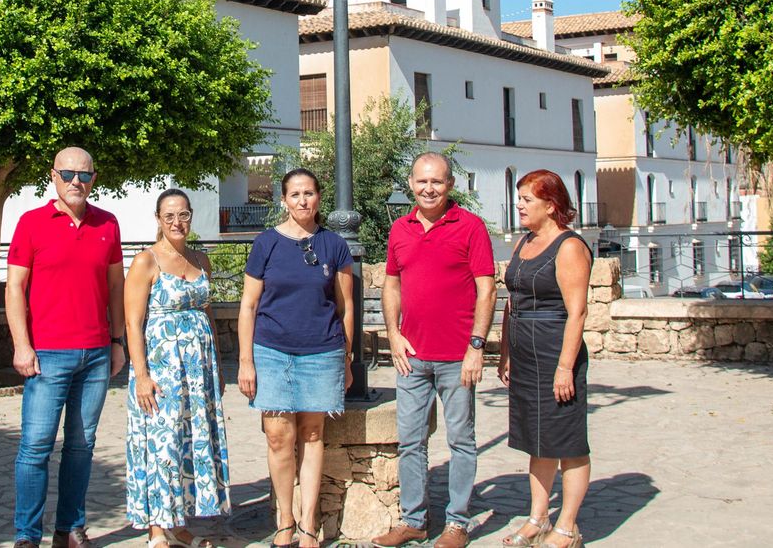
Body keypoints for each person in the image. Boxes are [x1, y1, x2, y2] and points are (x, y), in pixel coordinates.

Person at [371, 153, 496, 548]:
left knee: (461, 441)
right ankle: (414, 520)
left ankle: (457, 523)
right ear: (411, 183)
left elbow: (486, 288)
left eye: (437, 182)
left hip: (458, 357)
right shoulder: (400, 229)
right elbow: (391, 284)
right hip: (413, 357)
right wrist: (393, 334)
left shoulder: (471, 227)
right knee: (410, 442)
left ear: (450, 186)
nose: (429, 189)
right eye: (423, 182)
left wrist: (477, 346)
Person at [6, 147, 127, 548]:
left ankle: (70, 529)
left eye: (85, 175)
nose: (77, 181)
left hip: (95, 354)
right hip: (47, 354)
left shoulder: (107, 224)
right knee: (36, 446)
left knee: (81, 446)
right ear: (54, 176)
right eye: (69, 173)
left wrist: (117, 342)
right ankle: (27, 535)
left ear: (95, 178)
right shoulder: (31, 223)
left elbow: (115, 288)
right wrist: (22, 346)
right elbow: (15, 288)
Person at [238, 168, 355, 548]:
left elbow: (346, 306)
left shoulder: (334, 245)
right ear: (284, 200)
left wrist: (347, 358)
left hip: (322, 351)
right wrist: (245, 360)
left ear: (319, 197)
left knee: (313, 433)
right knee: (277, 436)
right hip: (271, 351)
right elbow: (248, 305)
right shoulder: (266, 244)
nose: (303, 200)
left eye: (309, 193)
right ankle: (284, 518)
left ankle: (308, 525)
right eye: (295, 194)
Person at [124, 188, 230, 548]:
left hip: (198, 369)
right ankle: (158, 527)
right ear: (158, 219)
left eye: (183, 215)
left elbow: (207, 312)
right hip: (162, 367)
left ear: (191, 216)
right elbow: (132, 322)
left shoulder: (202, 260)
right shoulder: (146, 261)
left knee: (190, 441)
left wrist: (215, 360)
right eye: (169, 216)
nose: (177, 222)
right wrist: (141, 375)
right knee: (161, 442)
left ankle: (179, 521)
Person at [497, 170, 592, 548]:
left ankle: (567, 528)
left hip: (555, 350)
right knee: (536, 440)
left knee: (566, 441)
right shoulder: (524, 242)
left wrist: (565, 367)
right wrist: (504, 353)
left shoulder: (569, 247)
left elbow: (578, 312)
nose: (519, 205)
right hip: (524, 352)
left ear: (551, 206)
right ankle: (538, 518)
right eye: (519, 198)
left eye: (527, 200)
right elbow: (511, 302)